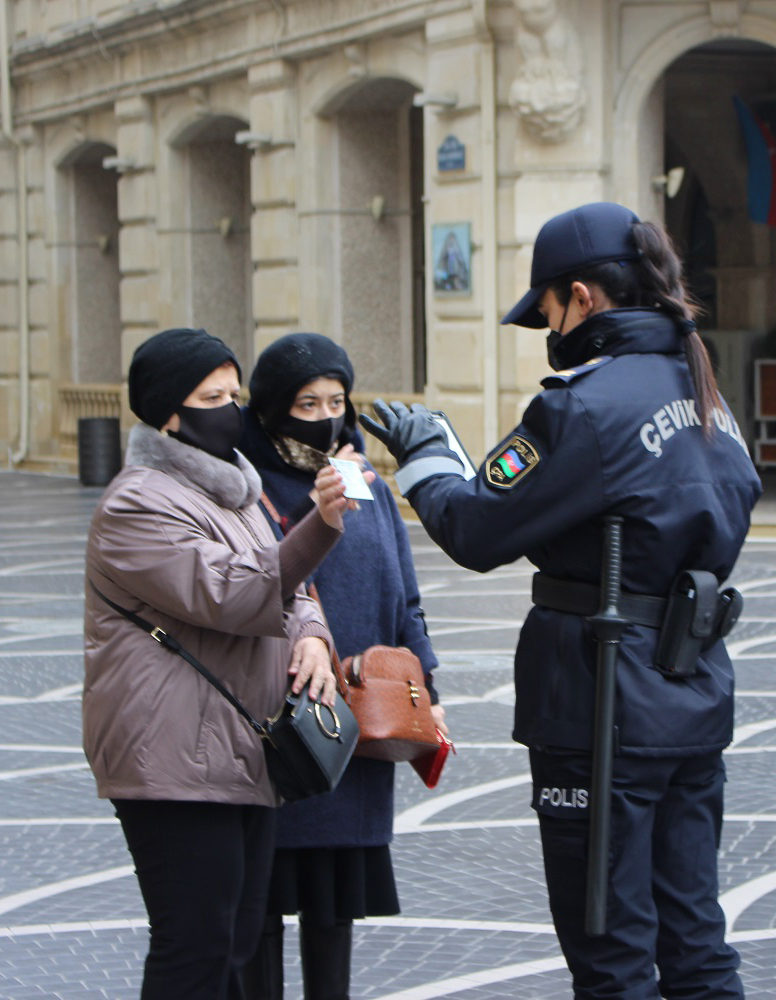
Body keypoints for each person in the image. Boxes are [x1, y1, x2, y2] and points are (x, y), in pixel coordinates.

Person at [361, 202, 761, 1000]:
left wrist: (429, 455)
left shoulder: (583, 405)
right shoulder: (704, 387)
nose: (547, 327)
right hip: (690, 687)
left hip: (602, 703)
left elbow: (477, 528)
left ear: (582, 297)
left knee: (608, 947)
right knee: (695, 937)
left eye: (546, 309)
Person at [84, 327, 354, 1000]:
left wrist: (314, 636)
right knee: (195, 948)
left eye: (235, 393)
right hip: (171, 754)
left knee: (233, 943)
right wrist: (319, 525)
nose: (232, 409)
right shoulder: (136, 501)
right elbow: (233, 592)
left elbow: (290, 591)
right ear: (170, 412)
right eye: (213, 396)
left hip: (242, 744)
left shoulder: (235, 489)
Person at [236, 332, 447, 1000]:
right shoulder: (245, 487)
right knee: (259, 907)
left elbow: (404, 598)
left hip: (360, 723)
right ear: (272, 409)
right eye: (307, 402)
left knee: (333, 909)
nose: (326, 415)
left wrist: (427, 689)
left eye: (336, 399)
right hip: (278, 721)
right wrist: (314, 512)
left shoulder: (371, 488)